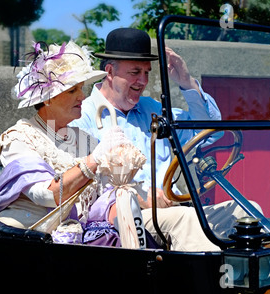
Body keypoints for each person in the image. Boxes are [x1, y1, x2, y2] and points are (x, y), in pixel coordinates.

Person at [70, 28, 251, 250]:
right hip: (123, 219)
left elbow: (208, 134)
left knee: (247, 211)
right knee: (187, 221)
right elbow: (81, 184)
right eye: (135, 72)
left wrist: (187, 83)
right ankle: (217, 282)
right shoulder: (83, 116)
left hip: (170, 212)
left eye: (147, 72)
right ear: (109, 71)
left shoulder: (153, 110)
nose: (143, 81)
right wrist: (138, 197)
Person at [0, 40, 159, 248]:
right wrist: (94, 159)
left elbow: (106, 194)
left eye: (81, 88)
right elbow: (46, 194)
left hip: (76, 240)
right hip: (27, 242)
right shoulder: (18, 138)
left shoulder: (82, 139)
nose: (82, 96)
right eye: (72, 91)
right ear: (47, 99)